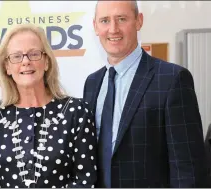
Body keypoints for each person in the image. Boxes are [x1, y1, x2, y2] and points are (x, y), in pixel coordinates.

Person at [83, 1, 207, 187]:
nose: (113, 29)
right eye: (105, 20)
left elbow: (188, 167)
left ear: (139, 21)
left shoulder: (172, 79)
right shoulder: (92, 83)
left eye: (122, 19)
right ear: (95, 27)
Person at [0, 24, 98, 188]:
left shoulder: (76, 112)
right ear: (7, 67)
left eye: (34, 54)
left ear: (46, 61)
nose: (26, 61)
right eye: (16, 56)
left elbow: (85, 180)